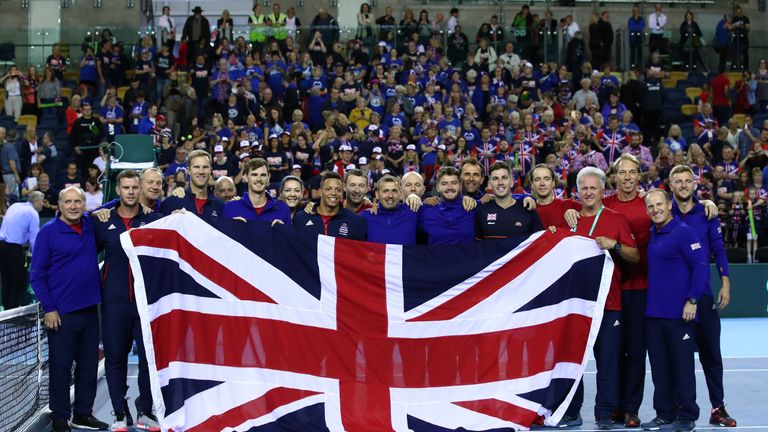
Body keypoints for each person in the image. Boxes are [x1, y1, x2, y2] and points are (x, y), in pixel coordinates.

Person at [558, 167, 640, 429]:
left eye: (594, 188)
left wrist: (614, 245)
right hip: (577, 305)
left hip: (609, 303)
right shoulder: (570, 219)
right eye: (585, 188)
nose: (589, 192)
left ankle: (604, 414)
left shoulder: (616, 218)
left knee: (608, 362)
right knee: (573, 363)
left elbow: (635, 256)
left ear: (603, 191)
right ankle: (571, 411)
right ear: (578, 192)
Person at [30, 187, 109, 432]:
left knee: (88, 367)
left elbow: (120, 200)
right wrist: (50, 308)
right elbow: (37, 275)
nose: (73, 206)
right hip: (61, 315)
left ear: (85, 204)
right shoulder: (48, 233)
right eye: (68, 202)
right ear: (60, 206)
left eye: (78, 202)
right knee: (61, 369)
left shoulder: (88, 223)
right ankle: (60, 418)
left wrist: (105, 210)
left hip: (89, 312)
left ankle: (83, 414)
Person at [668, 165, 738, 428]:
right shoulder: (663, 213)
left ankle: (717, 408)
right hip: (674, 299)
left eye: (688, 181)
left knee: (711, 356)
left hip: (705, 297)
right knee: (678, 357)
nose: (684, 185)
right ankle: (681, 408)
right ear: (671, 185)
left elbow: (719, 250)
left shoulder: (707, 213)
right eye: (679, 181)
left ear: (695, 184)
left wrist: (726, 283)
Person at [92, 170, 161, 432]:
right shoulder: (102, 221)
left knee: (148, 360)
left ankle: (146, 411)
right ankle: (120, 413)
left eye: (134, 187)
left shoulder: (154, 220)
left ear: (139, 189)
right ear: (118, 191)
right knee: (115, 359)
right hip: (114, 305)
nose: (131, 191)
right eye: (125, 187)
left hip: (146, 305)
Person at [641, 189, 708, 432]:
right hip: (654, 314)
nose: (655, 210)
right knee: (660, 368)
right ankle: (664, 414)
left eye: (659, 204)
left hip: (680, 315)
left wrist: (692, 300)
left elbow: (701, 266)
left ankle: (687, 415)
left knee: (682, 367)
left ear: (669, 205)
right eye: (651, 207)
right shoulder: (653, 232)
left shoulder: (683, 232)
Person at [475, 162, 542, 239]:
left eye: (504, 178)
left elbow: (540, 242)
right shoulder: (481, 211)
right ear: (490, 184)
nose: (500, 183)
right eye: (495, 178)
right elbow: (478, 244)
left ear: (512, 182)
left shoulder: (528, 209)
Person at [0, 191, 43, 310]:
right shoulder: (33, 213)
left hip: (1, 246)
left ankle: (7, 311)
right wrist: (38, 258)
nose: (43, 205)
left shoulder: (15, 205)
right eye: (42, 201)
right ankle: (13, 311)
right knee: (17, 279)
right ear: (37, 201)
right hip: (13, 248)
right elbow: (34, 240)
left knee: (6, 279)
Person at [293, 172, 366, 239]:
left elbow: (359, 251)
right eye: (328, 189)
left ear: (342, 193)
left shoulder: (356, 222)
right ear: (320, 192)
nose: (333, 193)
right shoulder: (300, 218)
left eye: (338, 190)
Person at [160, 150, 223, 225]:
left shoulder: (219, 205)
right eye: (196, 167)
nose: (201, 171)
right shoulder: (172, 202)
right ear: (189, 170)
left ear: (210, 170)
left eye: (205, 167)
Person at [222, 158, 291, 225]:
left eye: (263, 175)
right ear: (246, 177)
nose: (259, 179)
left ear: (268, 177)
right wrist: (231, 228)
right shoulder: (230, 208)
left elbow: (288, 236)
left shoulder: (283, 210)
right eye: (254, 175)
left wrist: (282, 231)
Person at [419, 166, 475, 244]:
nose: (449, 187)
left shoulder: (473, 207)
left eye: (454, 183)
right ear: (438, 187)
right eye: (444, 183)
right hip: (436, 256)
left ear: (460, 186)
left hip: (467, 256)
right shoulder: (425, 210)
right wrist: (414, 198)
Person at [361, 175, 419, 245]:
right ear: (377, 195)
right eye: (385, 191)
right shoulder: (365, 216)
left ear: (400, 193)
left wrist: (415, 197)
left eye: (394, 191)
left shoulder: (413, 212)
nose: (390, 195)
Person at [1, 127, 21, 201]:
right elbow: (11, 162)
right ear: (15, 137)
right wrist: (16, 175)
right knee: (12, 196)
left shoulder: (5, 146)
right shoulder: (10, 147)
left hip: (6, 174)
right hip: (10, 175)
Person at [730, 6, 750, 71]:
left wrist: (742, 26)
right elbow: (730, 27)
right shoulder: (734, 18)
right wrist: (735, 25)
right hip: (736, 40)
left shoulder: (745, 18)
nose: (739, 14)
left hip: (744, 40)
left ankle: (745, 69)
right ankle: (734, 68)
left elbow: (748, 28)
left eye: (740, 12)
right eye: (737, 12)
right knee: (735, 55)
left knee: (745, 55)